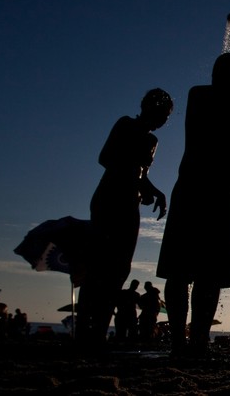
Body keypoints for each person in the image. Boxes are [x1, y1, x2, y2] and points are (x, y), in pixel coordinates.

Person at [157, 52, 230, 357]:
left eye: (223, 73)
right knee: (184, 272)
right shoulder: (203, 97)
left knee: (204, 274)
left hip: (206, 190)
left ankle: (195, 340)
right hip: (205, 188)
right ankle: (185, 340)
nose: (215, 78)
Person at [77, 88, 172, 347]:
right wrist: (139, 180)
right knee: (99, 265)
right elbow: (106, 158)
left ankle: (97, 331)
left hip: (130, 202)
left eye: (166, 116)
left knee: (119, 268)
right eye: (161, 113)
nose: (163, 120)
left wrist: (152, 191)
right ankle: (84, 329)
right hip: (109, 198)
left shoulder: (152, 141)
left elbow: (141, 174)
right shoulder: (126, 125)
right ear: (146, 107)